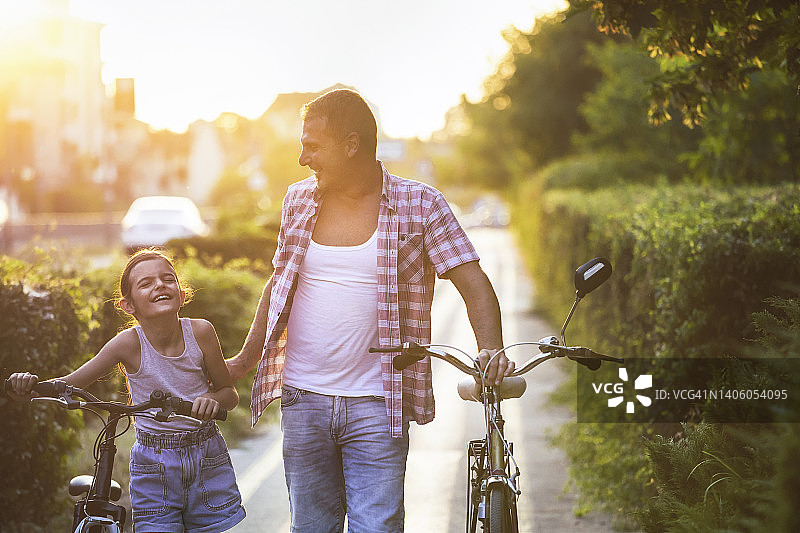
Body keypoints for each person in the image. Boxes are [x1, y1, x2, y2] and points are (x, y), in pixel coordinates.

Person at [226, 88, 514, 533]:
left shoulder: (421, 204)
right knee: (311, 527)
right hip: (303, 399)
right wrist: (243, 361)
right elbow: (279, 284)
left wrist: (490, 350)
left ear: (351, 145)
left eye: (313, 146)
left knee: (377, 527)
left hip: (379, 402)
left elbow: (473, 282)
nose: (303, 159)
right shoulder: (298, 200)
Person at [7, 249, 246, 533]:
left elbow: (229, 394)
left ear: (182, 295)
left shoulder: (201, 332)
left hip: (206, 455)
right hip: (154, 463)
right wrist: (29, 387)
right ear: (128, 305)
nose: (159, 285)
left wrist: (212, 399)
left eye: (167, 279)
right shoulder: (127, 343)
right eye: (146, 283)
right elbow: (70, 384)